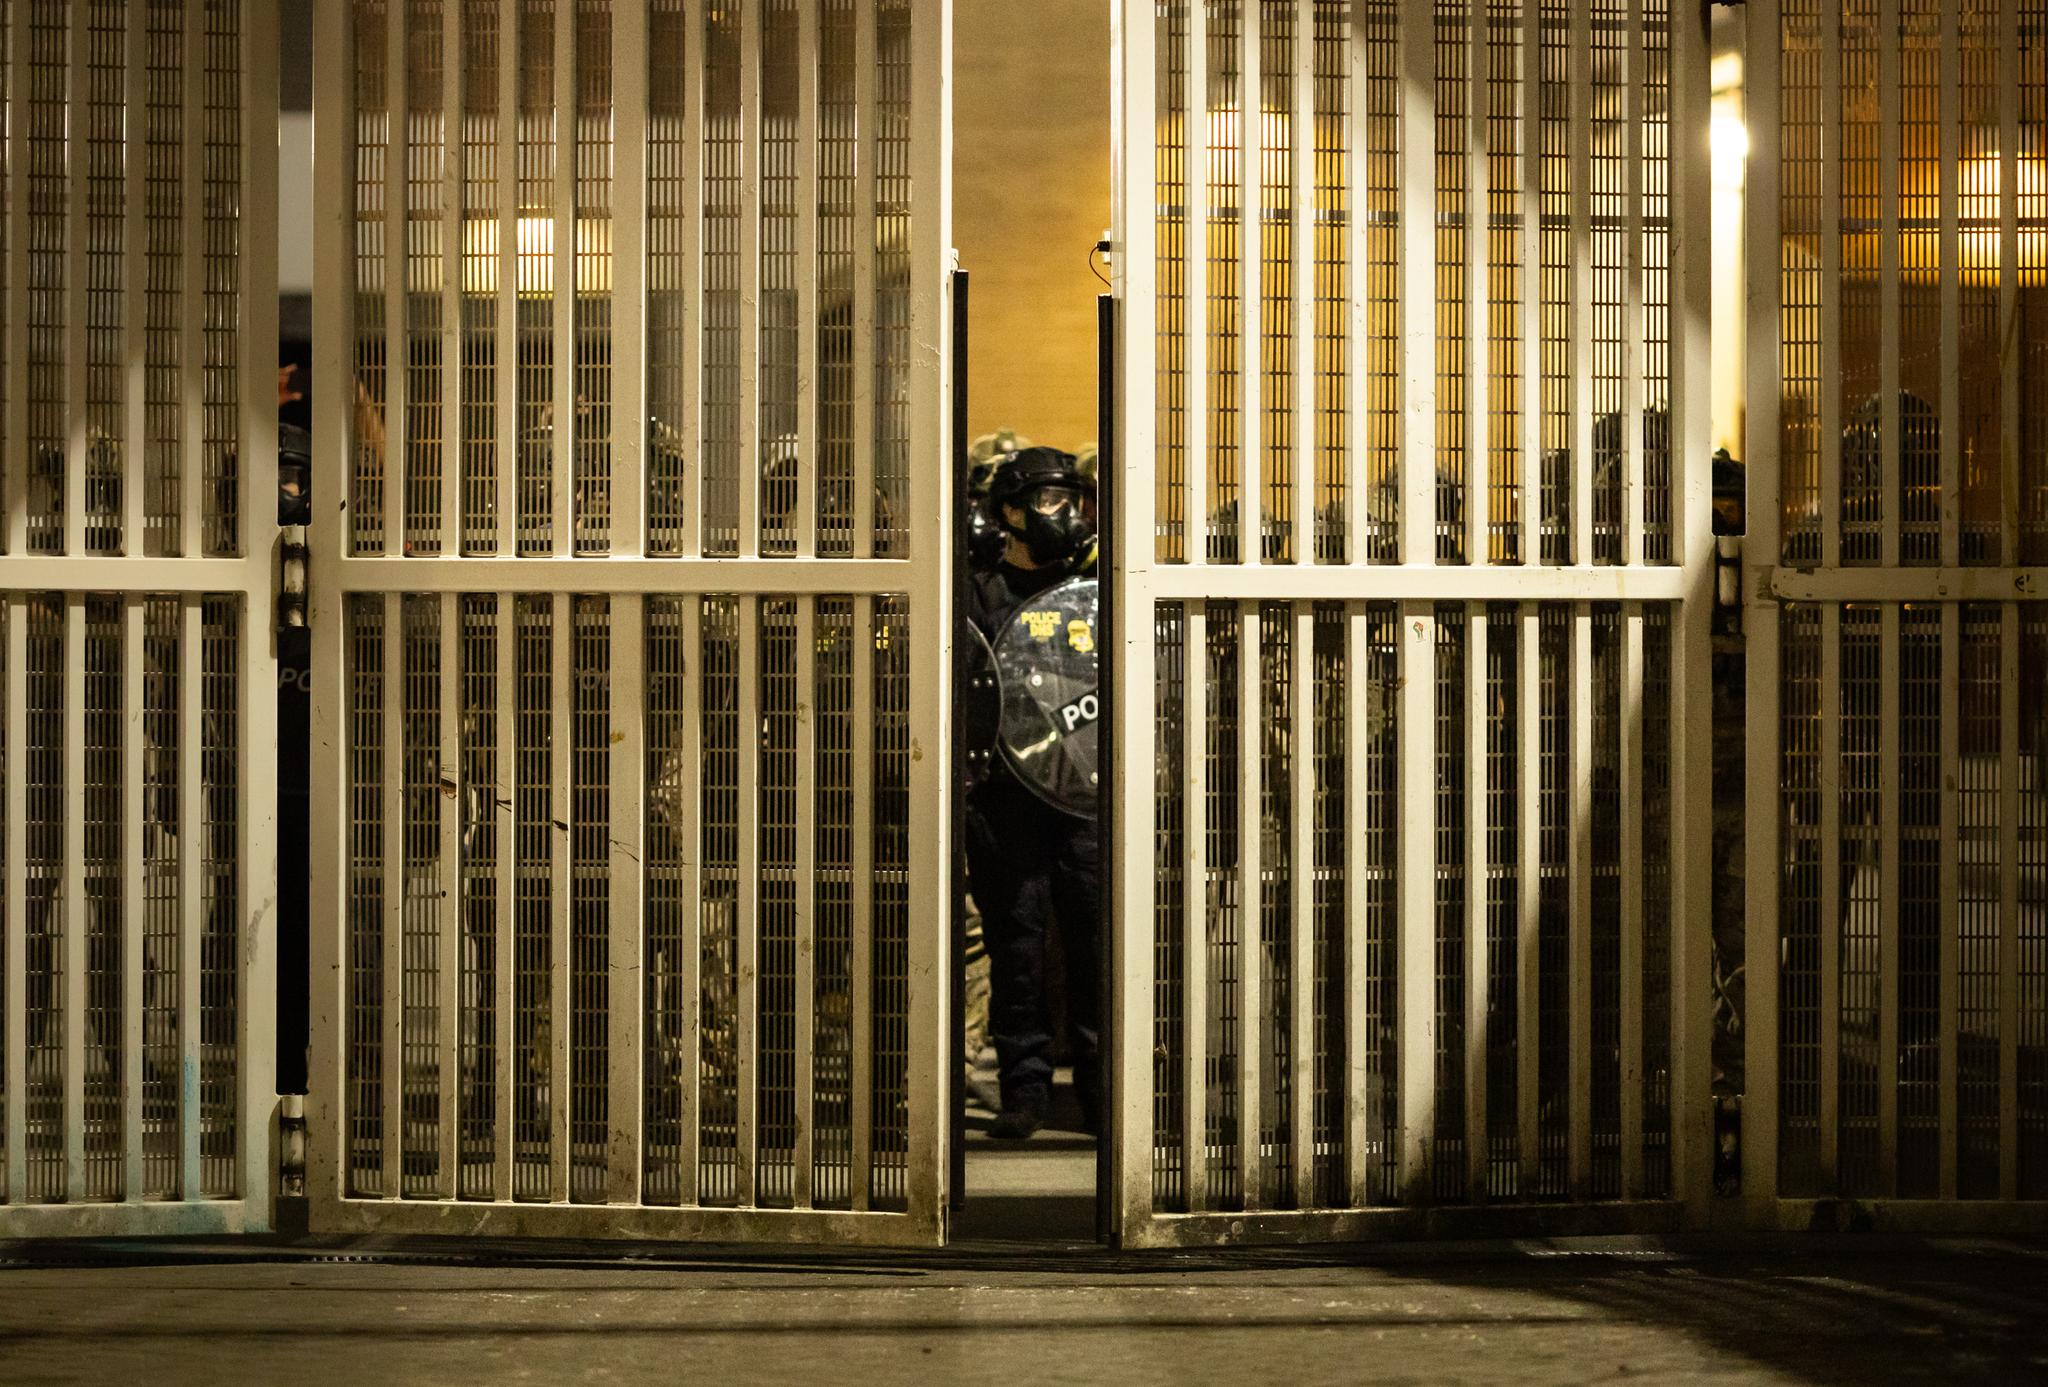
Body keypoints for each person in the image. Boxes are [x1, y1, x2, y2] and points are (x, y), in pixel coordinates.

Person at [962, 446, 1101, 1140]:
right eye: (1049, 500)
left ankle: (1103, 1092)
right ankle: (1025, 1091)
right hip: (1006, 797)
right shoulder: (977, 590)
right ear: (1011, 511)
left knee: (1095, 940)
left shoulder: (1094, 586)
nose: (1066, 512)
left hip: (1084, 796)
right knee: (1016, 944)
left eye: (1071, 498)